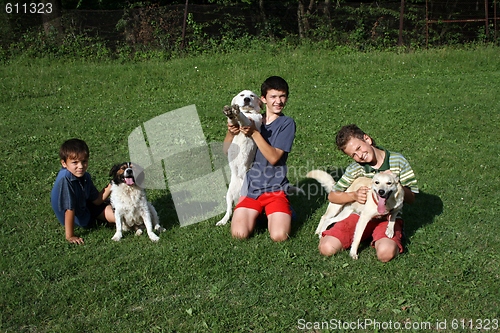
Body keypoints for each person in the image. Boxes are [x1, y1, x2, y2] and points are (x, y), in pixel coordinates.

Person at [318, 124, 418, 262]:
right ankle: (365, 235)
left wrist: (396, 182)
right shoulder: (355, 168)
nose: (360, 155)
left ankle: (386, 236)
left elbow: (412, 198)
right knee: (326, 247)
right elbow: (332, 196)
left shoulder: (398, 161)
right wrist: (353, 195)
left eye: (359, 148)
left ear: (367, 139)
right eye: (354, 154)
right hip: (360, 216)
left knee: (386, 254)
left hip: (388, 219)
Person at [223, 76, 296, 242]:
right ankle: (262, 213)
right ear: (263, 99)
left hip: (275, 188)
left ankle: (276, 211)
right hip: (251, 188)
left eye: (282, 96)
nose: (278, 101)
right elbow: (226, 150)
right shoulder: (253, 120)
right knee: (238, 234)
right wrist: (231, 132)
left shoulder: (287, 123)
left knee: (279, 236)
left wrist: (255, 133)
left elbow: (274, 157)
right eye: (273, 97)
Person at [50, 138, 115, 245]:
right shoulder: (66, 179)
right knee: (118, 217)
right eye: (75, 162)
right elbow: (69, 209)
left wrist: (113, 183)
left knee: (120, 215)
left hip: (85, 205)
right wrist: (70, 236)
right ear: (64, 163)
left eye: (84, 161)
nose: (80, 166)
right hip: (77, 216)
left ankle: (138, 219)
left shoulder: (85, 176)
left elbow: (97, 200)